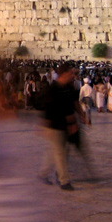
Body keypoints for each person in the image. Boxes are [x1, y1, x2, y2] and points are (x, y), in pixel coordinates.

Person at [39, 63, 88, 191]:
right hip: (55, 125)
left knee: (57, 152)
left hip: (67, 125)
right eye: (71, 73)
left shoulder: (69, 87)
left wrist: (81, 115)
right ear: (64, 73)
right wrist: (46, 127)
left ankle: (43, 173)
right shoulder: (53, 89)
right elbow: (48, 110)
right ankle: (63, 180)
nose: (73, 75)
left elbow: (75, 102)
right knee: (59, 153)